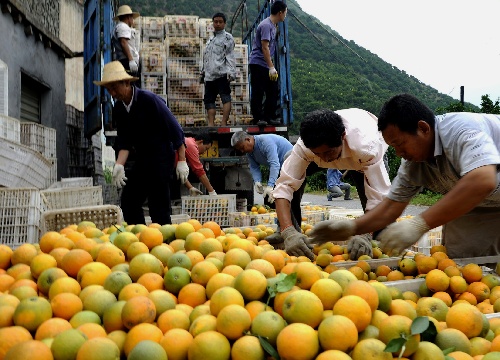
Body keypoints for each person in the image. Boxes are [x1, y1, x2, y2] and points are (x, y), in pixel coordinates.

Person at [310, 94, 500, 259]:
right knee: (466, 268)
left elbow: (482, 179)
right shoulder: (412, 164)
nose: (399, 153)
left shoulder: (461, 131)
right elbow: (390, 207)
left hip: (481, 190)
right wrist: (352, 228)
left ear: (423, 128)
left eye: (400, 144)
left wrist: (420, 223)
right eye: (393, 147)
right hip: (476, 203)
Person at [273, 109, 391, 260]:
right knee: (288, 161)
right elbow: (284, 186)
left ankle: (374, 244)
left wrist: (365, 234)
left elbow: (379, 197)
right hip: (333, 147)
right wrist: (287, 232)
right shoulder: (306, 146)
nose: (325, 159)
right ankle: (291, 233)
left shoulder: (367, 147)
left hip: (362, 157)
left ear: (342, 137)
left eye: (328, 152)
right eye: (318, 154)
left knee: (378, 221)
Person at [94, 61, 189, 226]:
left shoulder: (149, 100)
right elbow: (124, 141)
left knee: (158, 206)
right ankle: (139, 239)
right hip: (143, 159)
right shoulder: (119, 109)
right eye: (109, 89)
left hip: (161, 159)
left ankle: (163, 244)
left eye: (114, 88)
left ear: (127, 83)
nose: (112, 93)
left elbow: (175, 130)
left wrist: (181, 161)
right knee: (129, 201)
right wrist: (119, 165)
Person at [248, 1, 287, 126]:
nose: (285, 15)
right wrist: (271, 67)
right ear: (280, 12)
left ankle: (268, 116)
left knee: (273, 89)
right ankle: (258, 118)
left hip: (266, 63)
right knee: (258, 91)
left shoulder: (273, 26)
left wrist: (271, 66)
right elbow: (265, 47)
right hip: (258, 62)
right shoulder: (266, 25)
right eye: (285, 13)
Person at [201, 12, 236, 126]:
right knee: (209, 101)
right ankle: (211, 124)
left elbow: (230, 56)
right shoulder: (210, 40)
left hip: (221, 74)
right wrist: (203, 72)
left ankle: (223, 123)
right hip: (210, 75)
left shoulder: (227, 38)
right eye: (215, 21)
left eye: (220, 22)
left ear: (224, 23)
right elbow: (206, 58)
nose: (218, 24)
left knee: (225, 97)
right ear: (213, 23)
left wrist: (231, 72)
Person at [172, 132, 218, 198]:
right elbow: (199, 171)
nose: (204, 152)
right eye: (206, 148)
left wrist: (190, 188)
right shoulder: (191, 146)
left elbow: (181, 173)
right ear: (200, 142)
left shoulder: (188, 141)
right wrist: (212, 192)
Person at [112, 5, 140, 77]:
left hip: (127, 61)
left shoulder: (124, 27)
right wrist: (131, 60)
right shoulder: (122, 26)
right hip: (126, 61)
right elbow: (123, 42)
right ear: (128, 17)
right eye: (132, 18)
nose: (133, 20)